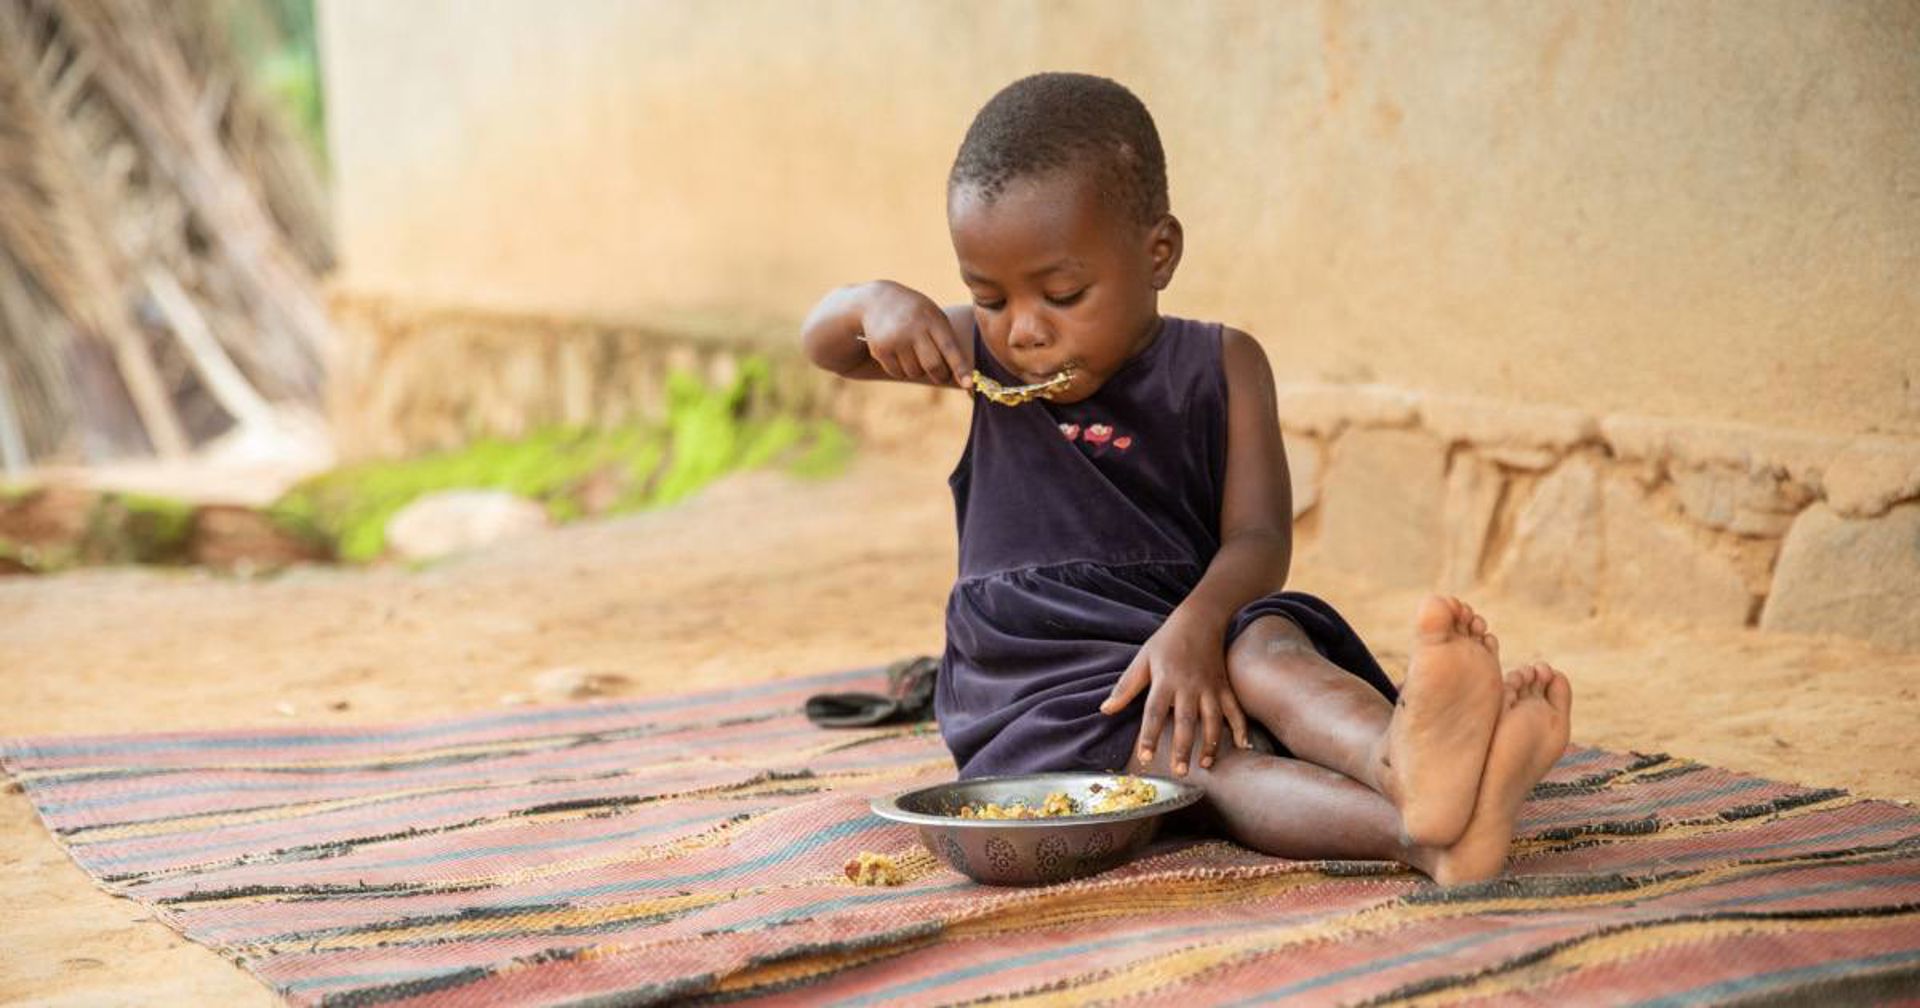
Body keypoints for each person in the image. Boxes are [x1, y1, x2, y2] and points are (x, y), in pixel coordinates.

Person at [800, 72, 1571, 884]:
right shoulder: (977, 355)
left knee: (1270, 647)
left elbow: (1260, 538)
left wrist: (1197, 625)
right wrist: (872, 301)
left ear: (1158, 253)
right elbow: (830, 346)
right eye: (987, 296)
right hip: (1050, 684)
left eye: (1064, 293)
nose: (1023, 329)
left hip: (1203, 627)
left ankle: (1400, 761)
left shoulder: (1224, 363)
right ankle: (1431, 836)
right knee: (1195, 760)